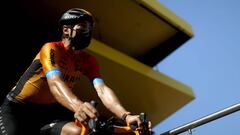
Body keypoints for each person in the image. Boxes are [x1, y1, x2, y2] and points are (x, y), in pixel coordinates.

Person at [0, 8, 151, 135]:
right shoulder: (51, 49)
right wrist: (78, 106)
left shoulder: (88, 60)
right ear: (66, 29)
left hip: (46, 114)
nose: (87, 32)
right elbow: (55, 83)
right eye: (83, 27)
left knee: (80, 132)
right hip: (17, 110)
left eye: (90, 28)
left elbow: (102, 90)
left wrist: (126, 116)